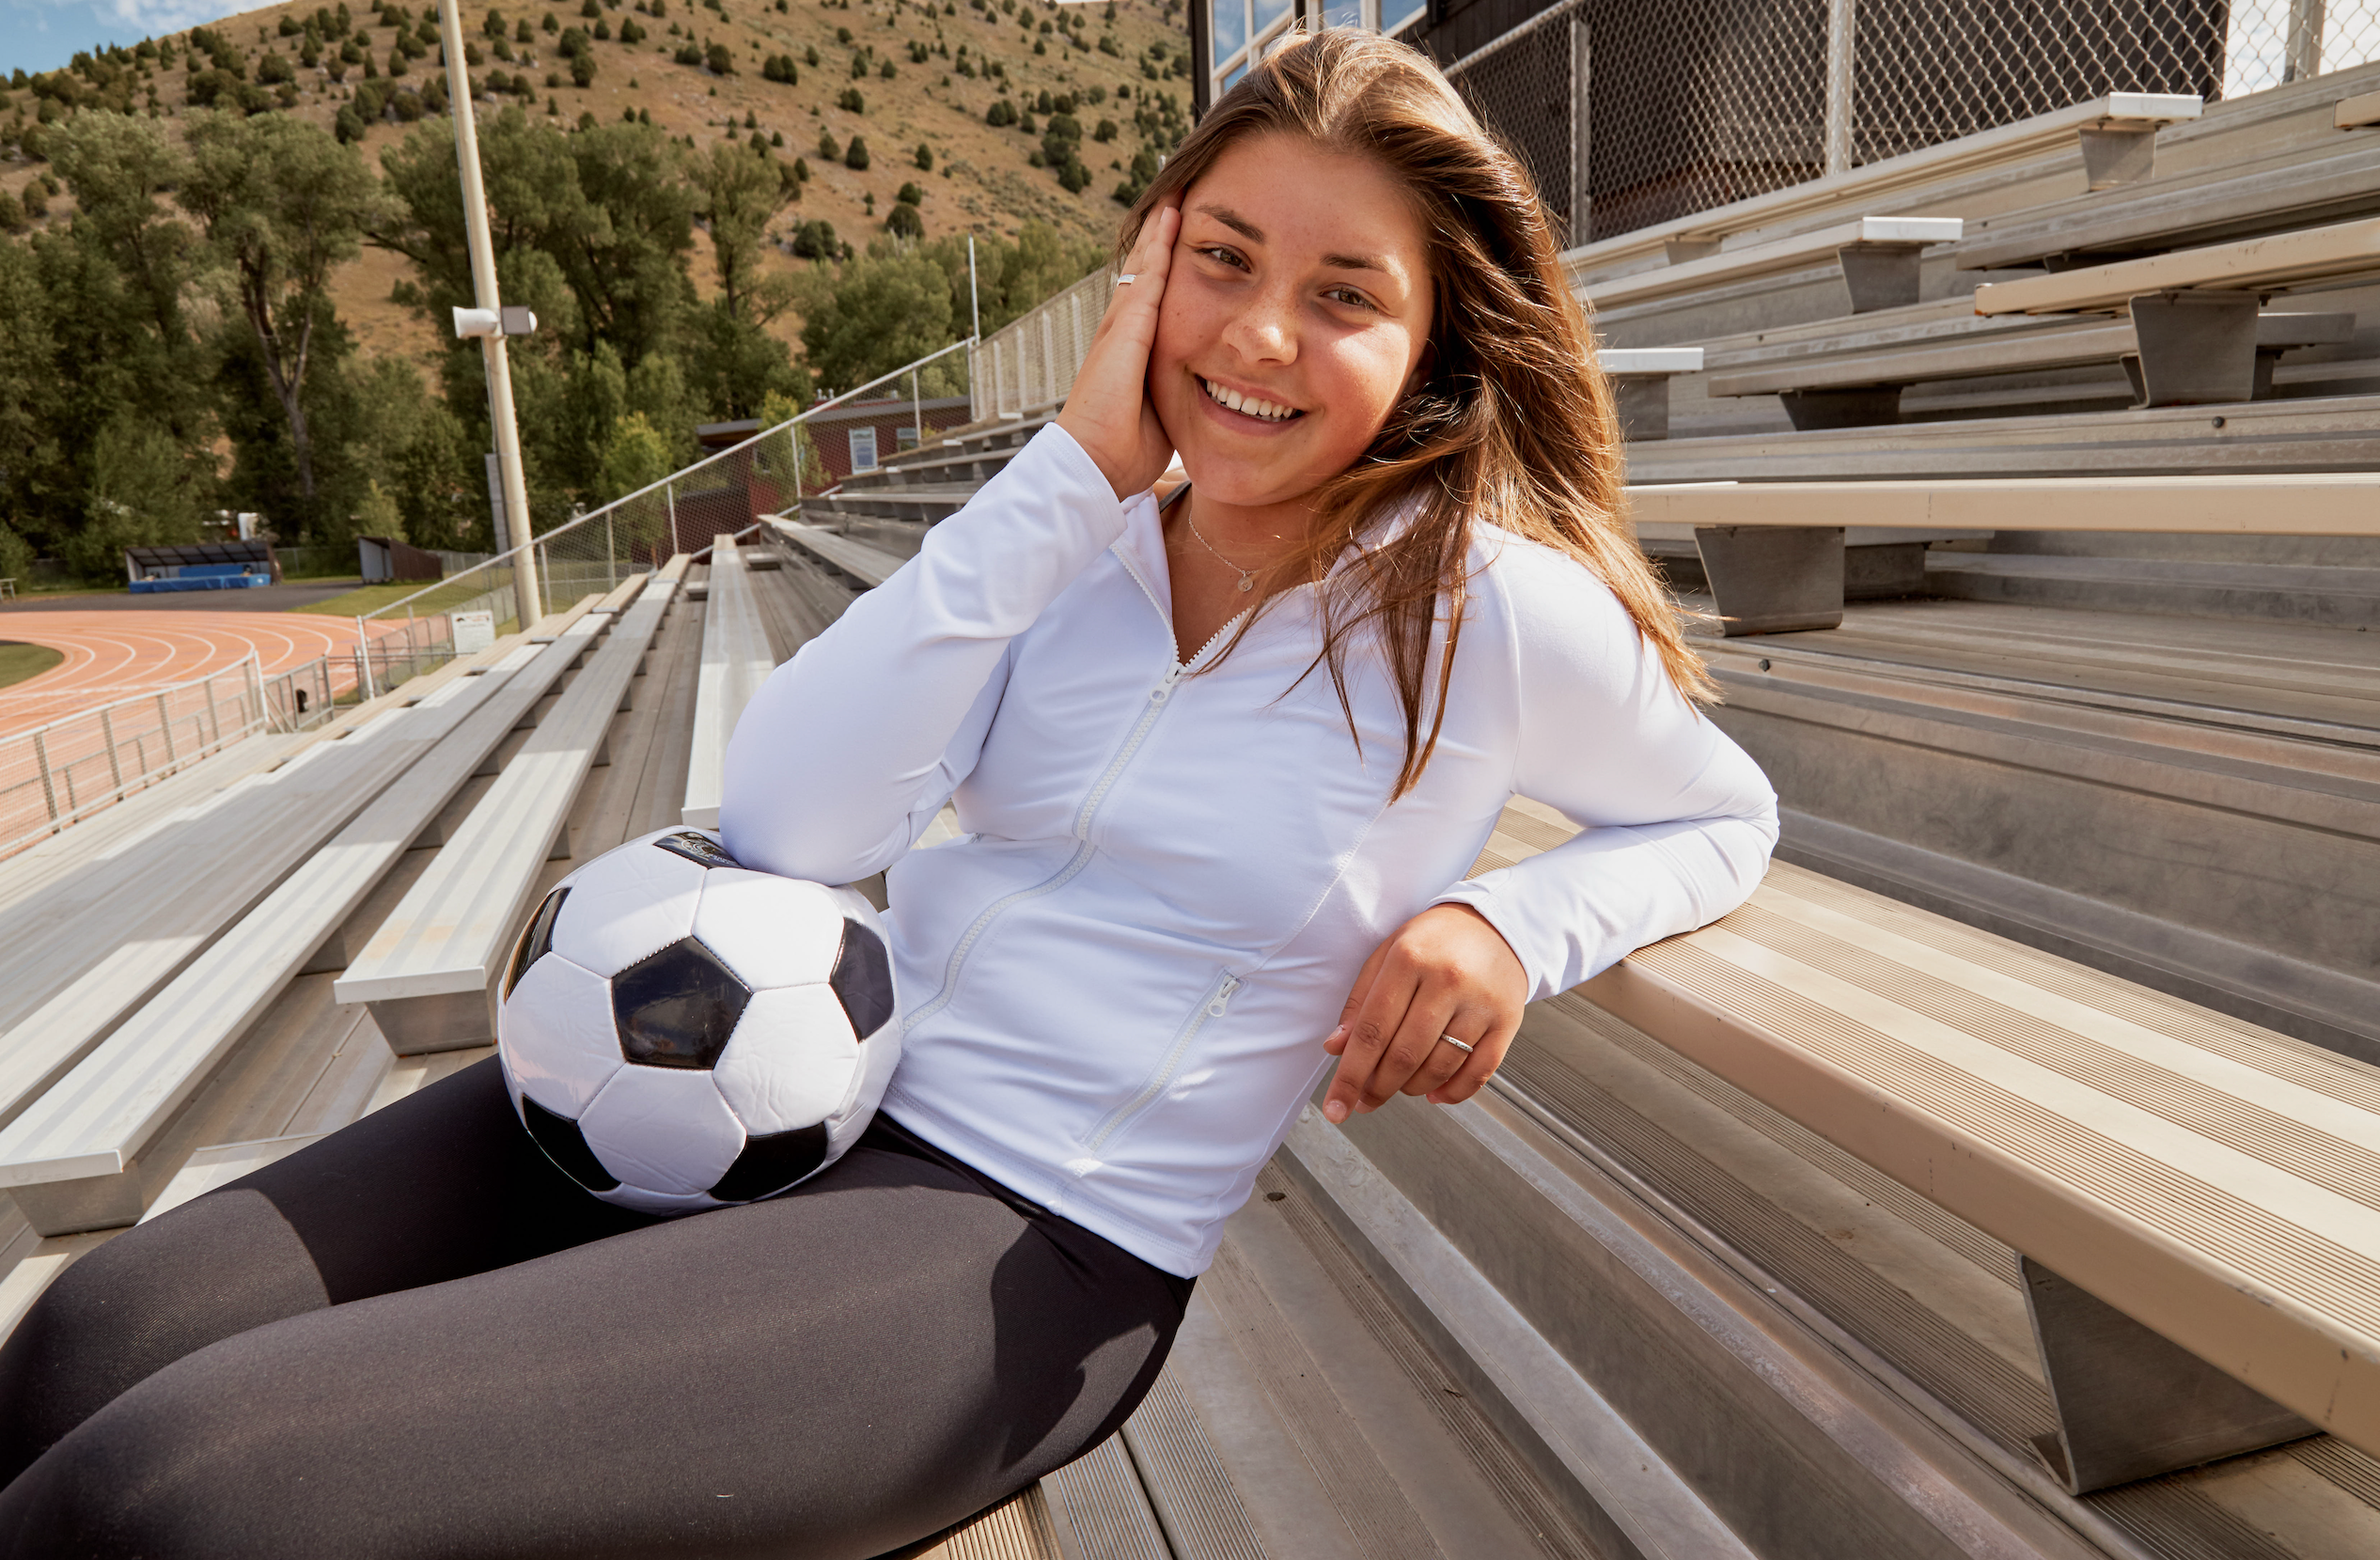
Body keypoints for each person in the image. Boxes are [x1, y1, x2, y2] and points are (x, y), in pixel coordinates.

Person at [0, 30, 1775, 1557]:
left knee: (181, 1500)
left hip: (1028, 1236)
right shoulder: (1069, 540)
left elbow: (1722, 814)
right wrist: (1073, 469)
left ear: (1435, 345)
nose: (1258, 336)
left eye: (1344, 295)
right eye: (1220, 261)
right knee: (96, 1335)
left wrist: (1508, 920)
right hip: (789, 1075)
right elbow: (791, 828)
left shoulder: (1485, 606)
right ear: (1146, 270)